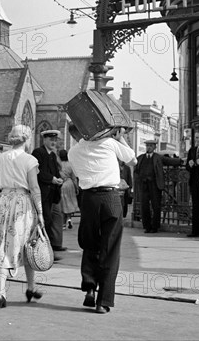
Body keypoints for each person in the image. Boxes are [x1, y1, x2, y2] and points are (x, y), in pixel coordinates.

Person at [68, 124, 137, 315]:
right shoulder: (108, 143)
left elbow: (78, 174)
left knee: (90, 244)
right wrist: (120, 137)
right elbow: (132, 160)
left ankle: (90, 287)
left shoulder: (73, 152)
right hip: (110, 198)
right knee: (110, 249)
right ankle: (103, 301)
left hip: (89, 199)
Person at [0, 125, 44, 309]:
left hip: (3, 201)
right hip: (22, 203)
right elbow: (34, 188)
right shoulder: (30, 160)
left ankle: (5, 291)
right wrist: (40, 212)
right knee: (28, 244)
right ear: (27, 139)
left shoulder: (2, 158)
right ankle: (24, 288)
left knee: (4, 243)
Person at [135, 140, 181, 233]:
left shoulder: (158, 157)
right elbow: (136, 168)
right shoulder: (140, 158)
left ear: (155, 147)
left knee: (156, 206)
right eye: (147, 146)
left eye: (151, 146)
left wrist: (182, 161)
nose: (148, 147)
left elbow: (171, 161)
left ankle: (155, 227)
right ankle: (147, 226)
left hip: (155, 184)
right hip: (144, 185)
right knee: (144, 206)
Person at [32, 130, 65, 251]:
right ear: (44, 140)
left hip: (52, 193)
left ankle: (54, 245)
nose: (53, 142)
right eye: (51, 140)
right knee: (45, 219)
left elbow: (55, 171)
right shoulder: (38, 152)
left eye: (55, 140)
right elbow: (37, 171)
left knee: (55, 218)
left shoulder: (52, 155)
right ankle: (44, 248)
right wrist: (52, 179)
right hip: (42, 193)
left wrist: (59, 179)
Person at [59, 149, 79, 229]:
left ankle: (63, 223)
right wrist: (76, 187)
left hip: (62, 184)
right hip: (70, 183)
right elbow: (74, 178)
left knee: (64, 203)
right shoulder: (70, 165)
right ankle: (69, 219)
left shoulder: (59, 165)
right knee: (70, 202)